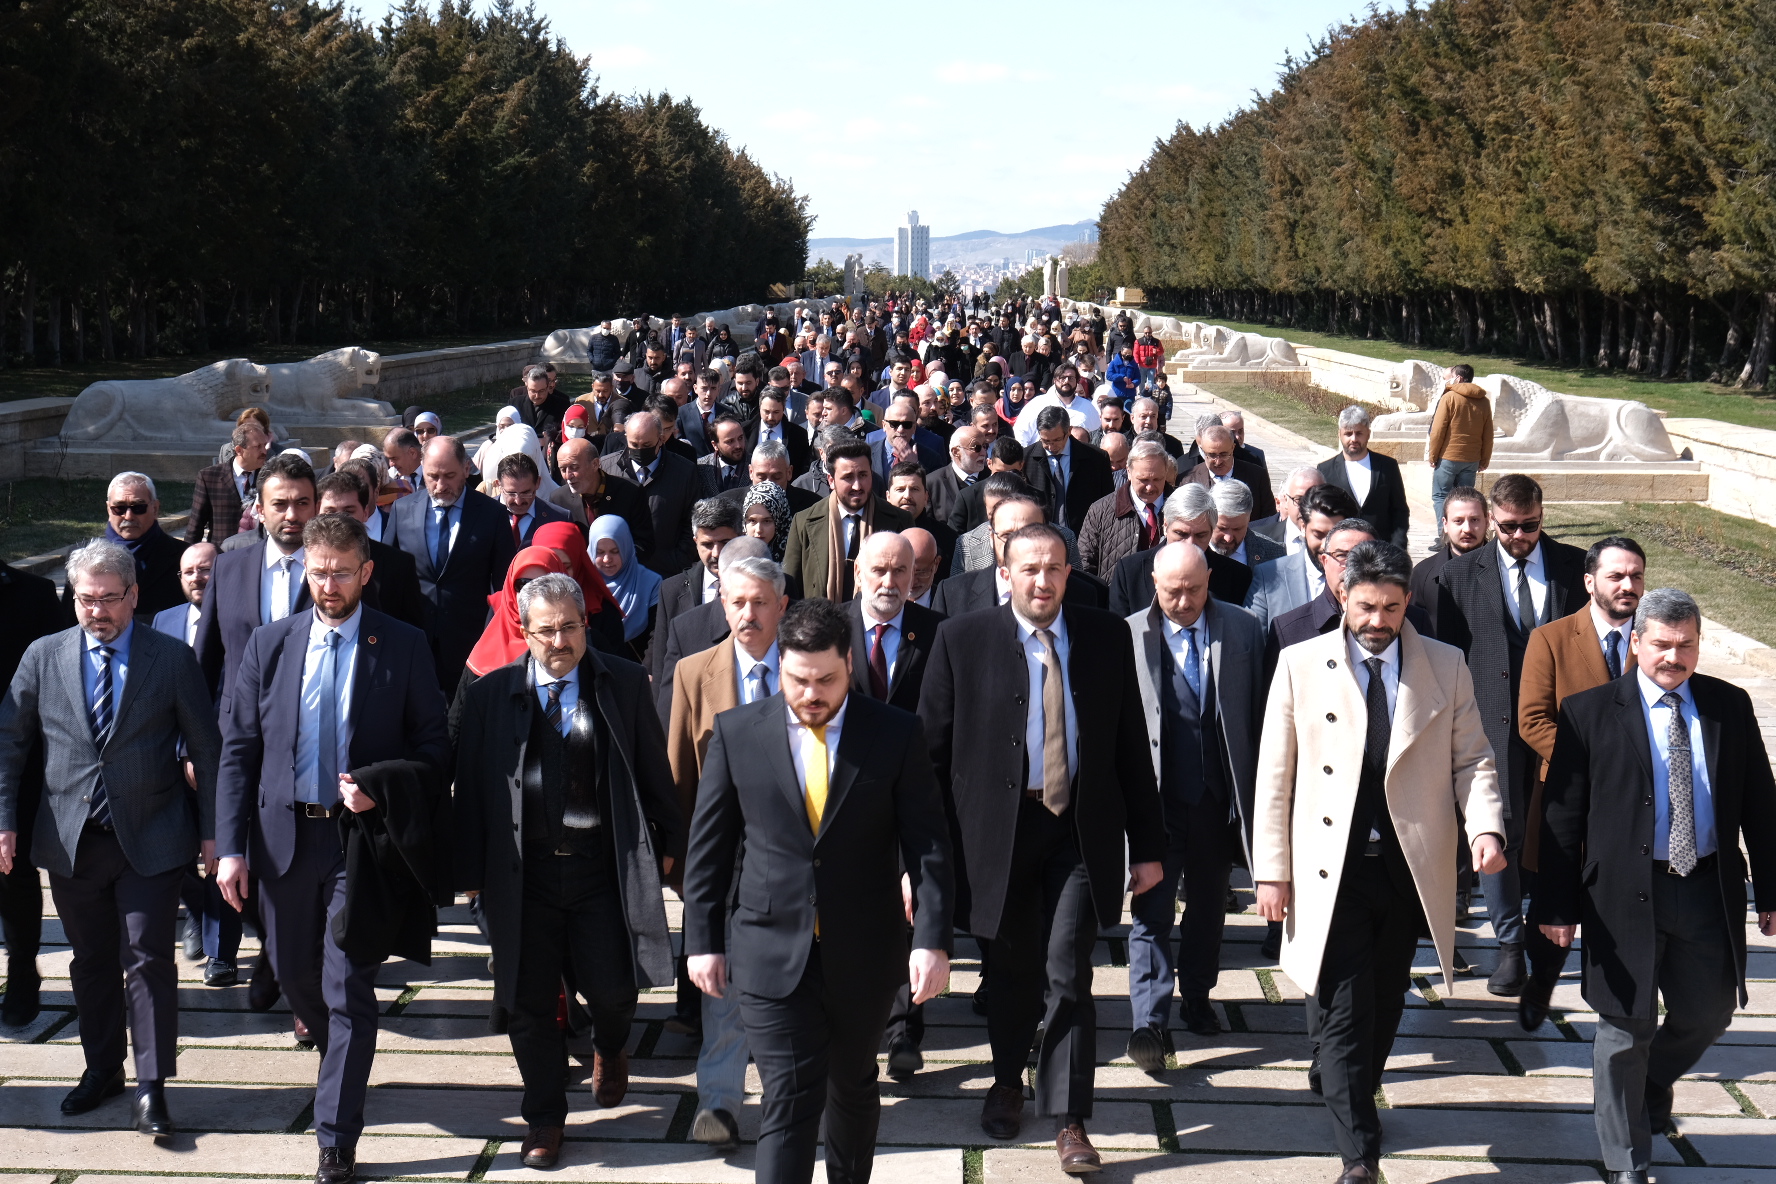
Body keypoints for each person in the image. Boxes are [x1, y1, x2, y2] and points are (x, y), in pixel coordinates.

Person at [1254, 540, 1506, 1184]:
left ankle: (1355, 1092)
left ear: (1407, 603)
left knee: (1387, 999)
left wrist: (1484, 828)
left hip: (1406, 865)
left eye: (1391, 607)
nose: (1378, 620)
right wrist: (1271, 871)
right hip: (1327, 868)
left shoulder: (1444, 665)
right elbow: (1274, 777)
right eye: (1367, 605)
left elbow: (1472, 757)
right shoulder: (1300, 663)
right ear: (1344, 596)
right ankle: (1357, 1149)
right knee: (1344, 1006)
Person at [214, 513, 449, 1184]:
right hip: (283, 839)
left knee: (348, 988)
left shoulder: (401, 645)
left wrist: (379, 789)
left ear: (366, 572)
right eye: (318, 572)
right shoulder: (271, 644)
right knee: (296, 978)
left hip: (359, 845)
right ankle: (342, 1062)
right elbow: (238, 752)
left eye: (342, 573)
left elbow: (435, 747)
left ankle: (336, 1139)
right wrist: (229, 847)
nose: (329, 585)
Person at [684, 599, 953, 1184]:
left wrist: (931, 940)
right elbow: (710, 848)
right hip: (768, 949)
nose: (812, 693)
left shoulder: (895, 734)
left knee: (851, 1084)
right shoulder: (739, 734)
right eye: (798, 680)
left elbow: (929, 846)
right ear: (780, 667)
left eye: (826, 680)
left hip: (864, 951)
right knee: (790, 1092)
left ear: (849, 665)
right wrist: (702, 939)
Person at [919, 522, 1161, 1168]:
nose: (1043, 580)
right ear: (1005, 572)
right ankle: (1006, 1080)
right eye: (1029, 568)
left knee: (1068, 969)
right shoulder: (960, 640)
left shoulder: (1106, 637)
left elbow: (1132, 745)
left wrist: (1150, 844)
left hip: (1079, 832)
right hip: (997, 834)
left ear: (1069, 573)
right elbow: (930, 759)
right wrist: (922, 856)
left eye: (1055, 567)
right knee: (1012, 970)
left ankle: (1070, 1117)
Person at [1537, 588, 1776, 1184]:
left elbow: (1761, 805)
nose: (1673, 657)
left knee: (1711, 1011)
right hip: (1621, 896)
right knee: (1624, 1026)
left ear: (1699, 645)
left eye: (1686, 646)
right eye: (1662, 644)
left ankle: (1650, 1081)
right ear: (1635, 643)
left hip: (1704, 889)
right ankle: (1626, 1164)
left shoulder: (1729, 706)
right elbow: (1562, 819)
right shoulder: (1588, 713)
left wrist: (1771, 891)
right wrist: (1556, 905)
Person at [453, 571, 680, 1169]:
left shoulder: (623, 683)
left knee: (613, 989)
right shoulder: (488, 697)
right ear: (523, 632)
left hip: (598, 870)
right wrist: (469, 871)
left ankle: (610, 1045)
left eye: (570, 627)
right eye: (546, 630)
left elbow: (654, 774)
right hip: (520, 877)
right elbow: (472, 791)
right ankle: (545, 1120)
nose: (560, 640)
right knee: (528, 1005)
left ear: (586, 626)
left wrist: (672, 844)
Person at [0, 538, 220, 1137]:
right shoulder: (42, 656)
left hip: (152, 837)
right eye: (84, 599)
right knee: (92, 961)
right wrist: (5, 819)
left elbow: (206, 747)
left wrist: (213, 834)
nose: (97, 610)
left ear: (134, 595)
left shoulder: (170, 658)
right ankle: (103, 1069)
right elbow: (10, 743)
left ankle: (153, 1085)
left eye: (109, 599)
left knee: (149, 959)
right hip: (72, 841)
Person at [1435, 474, 1587, 997]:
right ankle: (1508, 947)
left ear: (1543, 515)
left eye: (1530, 526)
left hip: (1558, 724)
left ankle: (1547, 925)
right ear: (1491, 518)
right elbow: (1450, 660)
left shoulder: (1574, 567)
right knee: (1495, 827)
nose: (1520, 536)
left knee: (1555, 827)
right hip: (1488, 724)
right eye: (1508, 527)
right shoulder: (1458, 576)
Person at [665, 547, 789, 1151]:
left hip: (791, 854)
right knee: (718, 982)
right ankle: (717, 1102)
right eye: (736, 602)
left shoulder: (811, 667)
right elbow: (679, 771)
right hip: (720, 856)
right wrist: (682, 856)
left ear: (781, 606)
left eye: (759, 603)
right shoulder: (695, 672)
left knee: (788, 982)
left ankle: (788, 1098)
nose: (747, 614)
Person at [1124, 542, 1264, 1067]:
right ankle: (1149, 1024)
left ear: (1210, 580)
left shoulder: (1244, 630)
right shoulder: (1129, 635)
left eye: (1195, 589)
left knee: (1208, 909)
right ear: (1153, 584)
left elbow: (1258, 712)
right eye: (1172, 590)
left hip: (1216, 802)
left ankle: (1198, 997)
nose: (1183, 601)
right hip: (1155, 804)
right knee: (1151, 912)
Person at [1514, 536, 1646, 1030]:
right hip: (1566, 798)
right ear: (1590, 582)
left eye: (1635, 575)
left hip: (1635, 805)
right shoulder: (1551, 638)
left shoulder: (1653, 639)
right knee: (1553, 904)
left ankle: (1619, 1003)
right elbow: (1532, 720)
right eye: (1616, 576)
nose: (1628, 585)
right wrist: (1593, 767)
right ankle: (1542, 980)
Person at [382, 436, 519, 694]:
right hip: (414, 639)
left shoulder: (492, 515)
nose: (441, 485)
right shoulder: (402, 510)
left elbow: (504, 586)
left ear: (467, 469)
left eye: (449, 475)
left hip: (471, 642)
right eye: (433, 476)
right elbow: (388, 577)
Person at [0, 556, 66, 1027]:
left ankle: (22, 970)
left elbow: (59, 675)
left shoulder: (33, 593)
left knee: (13, 872)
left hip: (15, 755)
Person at [194, 452, 319, 698]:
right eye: (280, 504)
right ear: (260, 510)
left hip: (313, 723)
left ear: (316, 507)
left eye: (302, 503)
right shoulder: (226, 569)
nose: (292, 515)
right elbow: (206, 659)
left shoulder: (339, 573)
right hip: (238, 725)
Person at [782, 440, 915, 603]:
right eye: (848, 478)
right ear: (831, 480)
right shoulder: (804, 522)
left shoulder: (900, 521)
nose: (857, 486)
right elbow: (791, 590)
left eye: (863, 475)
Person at [1106, 484, 1259, 616]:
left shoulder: (1238, 577)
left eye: (1200, 535)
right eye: (1181, 534)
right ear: (1165, 525)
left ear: (1212, 531)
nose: (1190, 543)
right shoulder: (1130, 572)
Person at [317, 466, 430, 634]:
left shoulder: (399, 565)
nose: (339, 520)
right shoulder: (304, 564)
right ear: (317, 511)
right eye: (330, 511)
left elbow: (412, 632)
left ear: (365, 513)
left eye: (348, 511)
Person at [646, 498, 743, 680]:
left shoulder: (769, 585)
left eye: (725, 542)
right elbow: (662, 663)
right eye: (707, 545)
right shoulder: (671, 590)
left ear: (740, 537)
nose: (716, 553)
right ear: (695, 541)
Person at [1245, 484, 1361, 633]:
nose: (1326, 545)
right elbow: (1252, 641)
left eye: (1334, 535)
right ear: (1303, 527)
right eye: (1318, 534)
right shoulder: (1268, 577)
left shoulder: (1367, 577)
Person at [70, 472, 187, 619]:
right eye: (119, 508)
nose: (129, 516)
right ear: (108, 509)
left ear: (155, 508)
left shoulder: (183, 557)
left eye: (138, 507)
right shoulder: (82, 557)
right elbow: (68, 621)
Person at [600, 410, 698, 576]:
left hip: (665, 573)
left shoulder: (684, 472)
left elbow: (692, 522)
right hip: (616, 572)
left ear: (660, 440)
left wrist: (676, 561)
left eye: (646, 446)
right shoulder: (607, 469)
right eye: (634, 445)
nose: (640, 450)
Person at [1316, 407, 1409, 549]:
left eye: (1359, 433)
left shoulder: (1387, 466)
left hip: (1381, 552)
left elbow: (1399, 510)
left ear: (1368, 434)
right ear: (1339, 434)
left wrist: (1397, 547)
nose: (1353, 439)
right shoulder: (1325, 470)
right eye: (1348, 434)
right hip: (1342, 554)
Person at [1076, 439, 1172, 578]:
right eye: (1143, 480)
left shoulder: (1182, 507)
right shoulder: (1100, 510)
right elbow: (1084, 566)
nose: (1150, 487)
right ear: (1128, 472)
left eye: (1157, 479)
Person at [1023, 406, 1115, 534]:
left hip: (1084, 538)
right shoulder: (1025, 459)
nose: (1050, 446)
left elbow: (1108, 504)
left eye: (1056, 440)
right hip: (1039, 538)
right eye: (1045, 441)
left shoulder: (1097, 459)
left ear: (1069, 431)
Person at [1428, 365, 1494, 540]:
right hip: (1472, 459)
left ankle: (1444, 537)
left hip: (1448, 456)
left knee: (1441, 496)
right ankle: (1465, 535)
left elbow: (1438, 430)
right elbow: (1488, 434)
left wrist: (1433, 455)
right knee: (1465, 499)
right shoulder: (1484, 401)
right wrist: (1484, 459)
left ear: (1458, 378)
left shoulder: (1449, 397)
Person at [549, 437, 652, 548]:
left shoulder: (630, 492)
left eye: (574, 468)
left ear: (595, 464)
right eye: (563, 469)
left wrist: (615, 558)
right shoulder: (558, 499)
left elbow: (644, 544)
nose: (568, 476)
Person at [1409, 486, 1489, 627]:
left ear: (1487, 521)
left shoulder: (1505, 570)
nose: (1467, 529)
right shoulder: (1423, 574)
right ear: (1445, 524)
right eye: (1458, 521)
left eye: (1474, 520)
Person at [589, 515, 662, 662]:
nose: (607, 559)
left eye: (615, 551)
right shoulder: (584, 585)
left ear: (626, 548)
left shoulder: (651, 583)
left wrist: (647, 671)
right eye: (600, 552)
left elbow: (657, 635)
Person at [189, 420, 271, 544]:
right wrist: (186, 557)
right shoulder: (209, 477)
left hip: (258, 553)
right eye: (257, 447)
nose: (264, 451)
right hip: (222, 554)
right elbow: (196, 524)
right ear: (239, 450)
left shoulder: (269, 477)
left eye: (264, 445)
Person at [1184, 424, 1276, 522]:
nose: (1218, 461)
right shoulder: (1188, 480)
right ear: (1202, 450)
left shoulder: (1257, 476)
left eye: (1224, 454)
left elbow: (1268, 520)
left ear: (1233, 448)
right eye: (1212, 455)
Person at [1011, 362, 1100, 445]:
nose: (1066, 381)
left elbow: (1096, 437)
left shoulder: (1088, 407)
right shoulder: (1037, 404)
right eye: (1062, 378)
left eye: (1071, 378)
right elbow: (1020, 434)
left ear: (1077, 381)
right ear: (1054, 380)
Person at [493, 452, 571, 547]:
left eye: (526, 493)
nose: (518, 501)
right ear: (498, 485)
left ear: (538, 483)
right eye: (511, 493)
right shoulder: (482, 514)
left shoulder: (558, 518)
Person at [1209, 479, 1286, 570]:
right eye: (1222, 528)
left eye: (1237, 529)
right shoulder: (1191, 547)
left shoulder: (1275, 554)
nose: (1228, 538)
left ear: (1248, 519)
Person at [1250, 466, 1324, 554]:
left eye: (1314, 499)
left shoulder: (1337, 538)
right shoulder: (1257, 537)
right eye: (1299, 500)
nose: (1307, 507)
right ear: (1285, 500)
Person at [695, 417, 751, 497]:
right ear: (715, 445)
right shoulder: (700, 468)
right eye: (730, 441)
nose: (738, 445)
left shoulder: (756, 465)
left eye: (740, 438)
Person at [741, 480, 792, 562]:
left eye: (767, 521)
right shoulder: (735, 556)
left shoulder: (793, 555)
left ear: (779, 522)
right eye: (752, 521)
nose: (759, 530)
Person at [904, 527, 942, 609]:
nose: (912, 581)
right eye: (904, 572)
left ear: (936, 564)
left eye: (921, 573)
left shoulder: (950, 606)